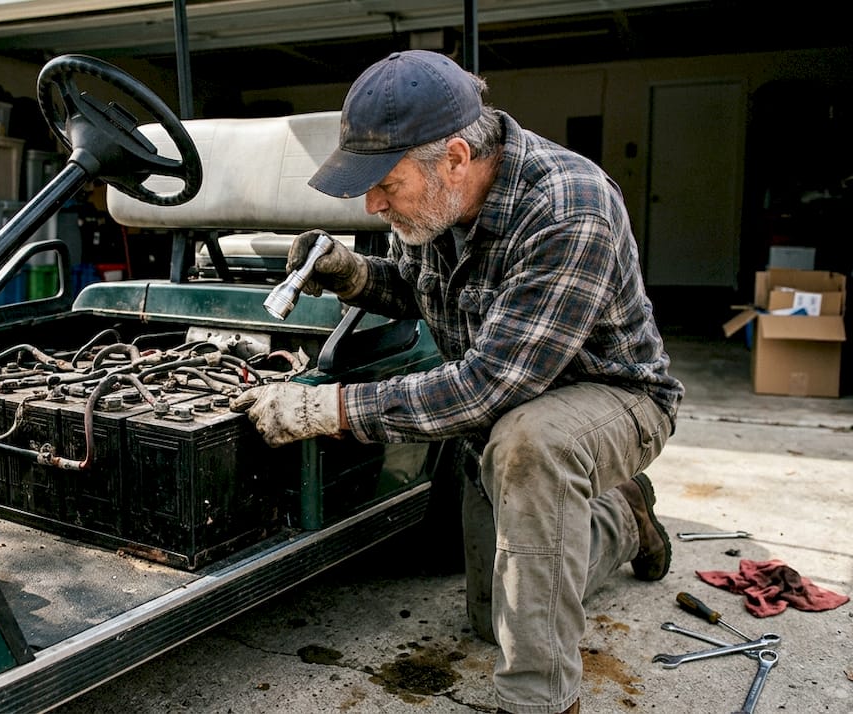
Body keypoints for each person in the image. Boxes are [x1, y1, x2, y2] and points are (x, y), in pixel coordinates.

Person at [230, 50, 685, 714]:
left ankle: (540, 700)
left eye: (386, 182)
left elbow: (487, 388)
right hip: (503, 415)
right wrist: (352, 273)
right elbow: (421, 292)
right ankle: (621, 519)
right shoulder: (435, 206)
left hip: (614, 399)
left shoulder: (568, 207)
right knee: (495, 617)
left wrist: (325, 408)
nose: (372, 202)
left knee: (533, 444)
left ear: (453, 158)